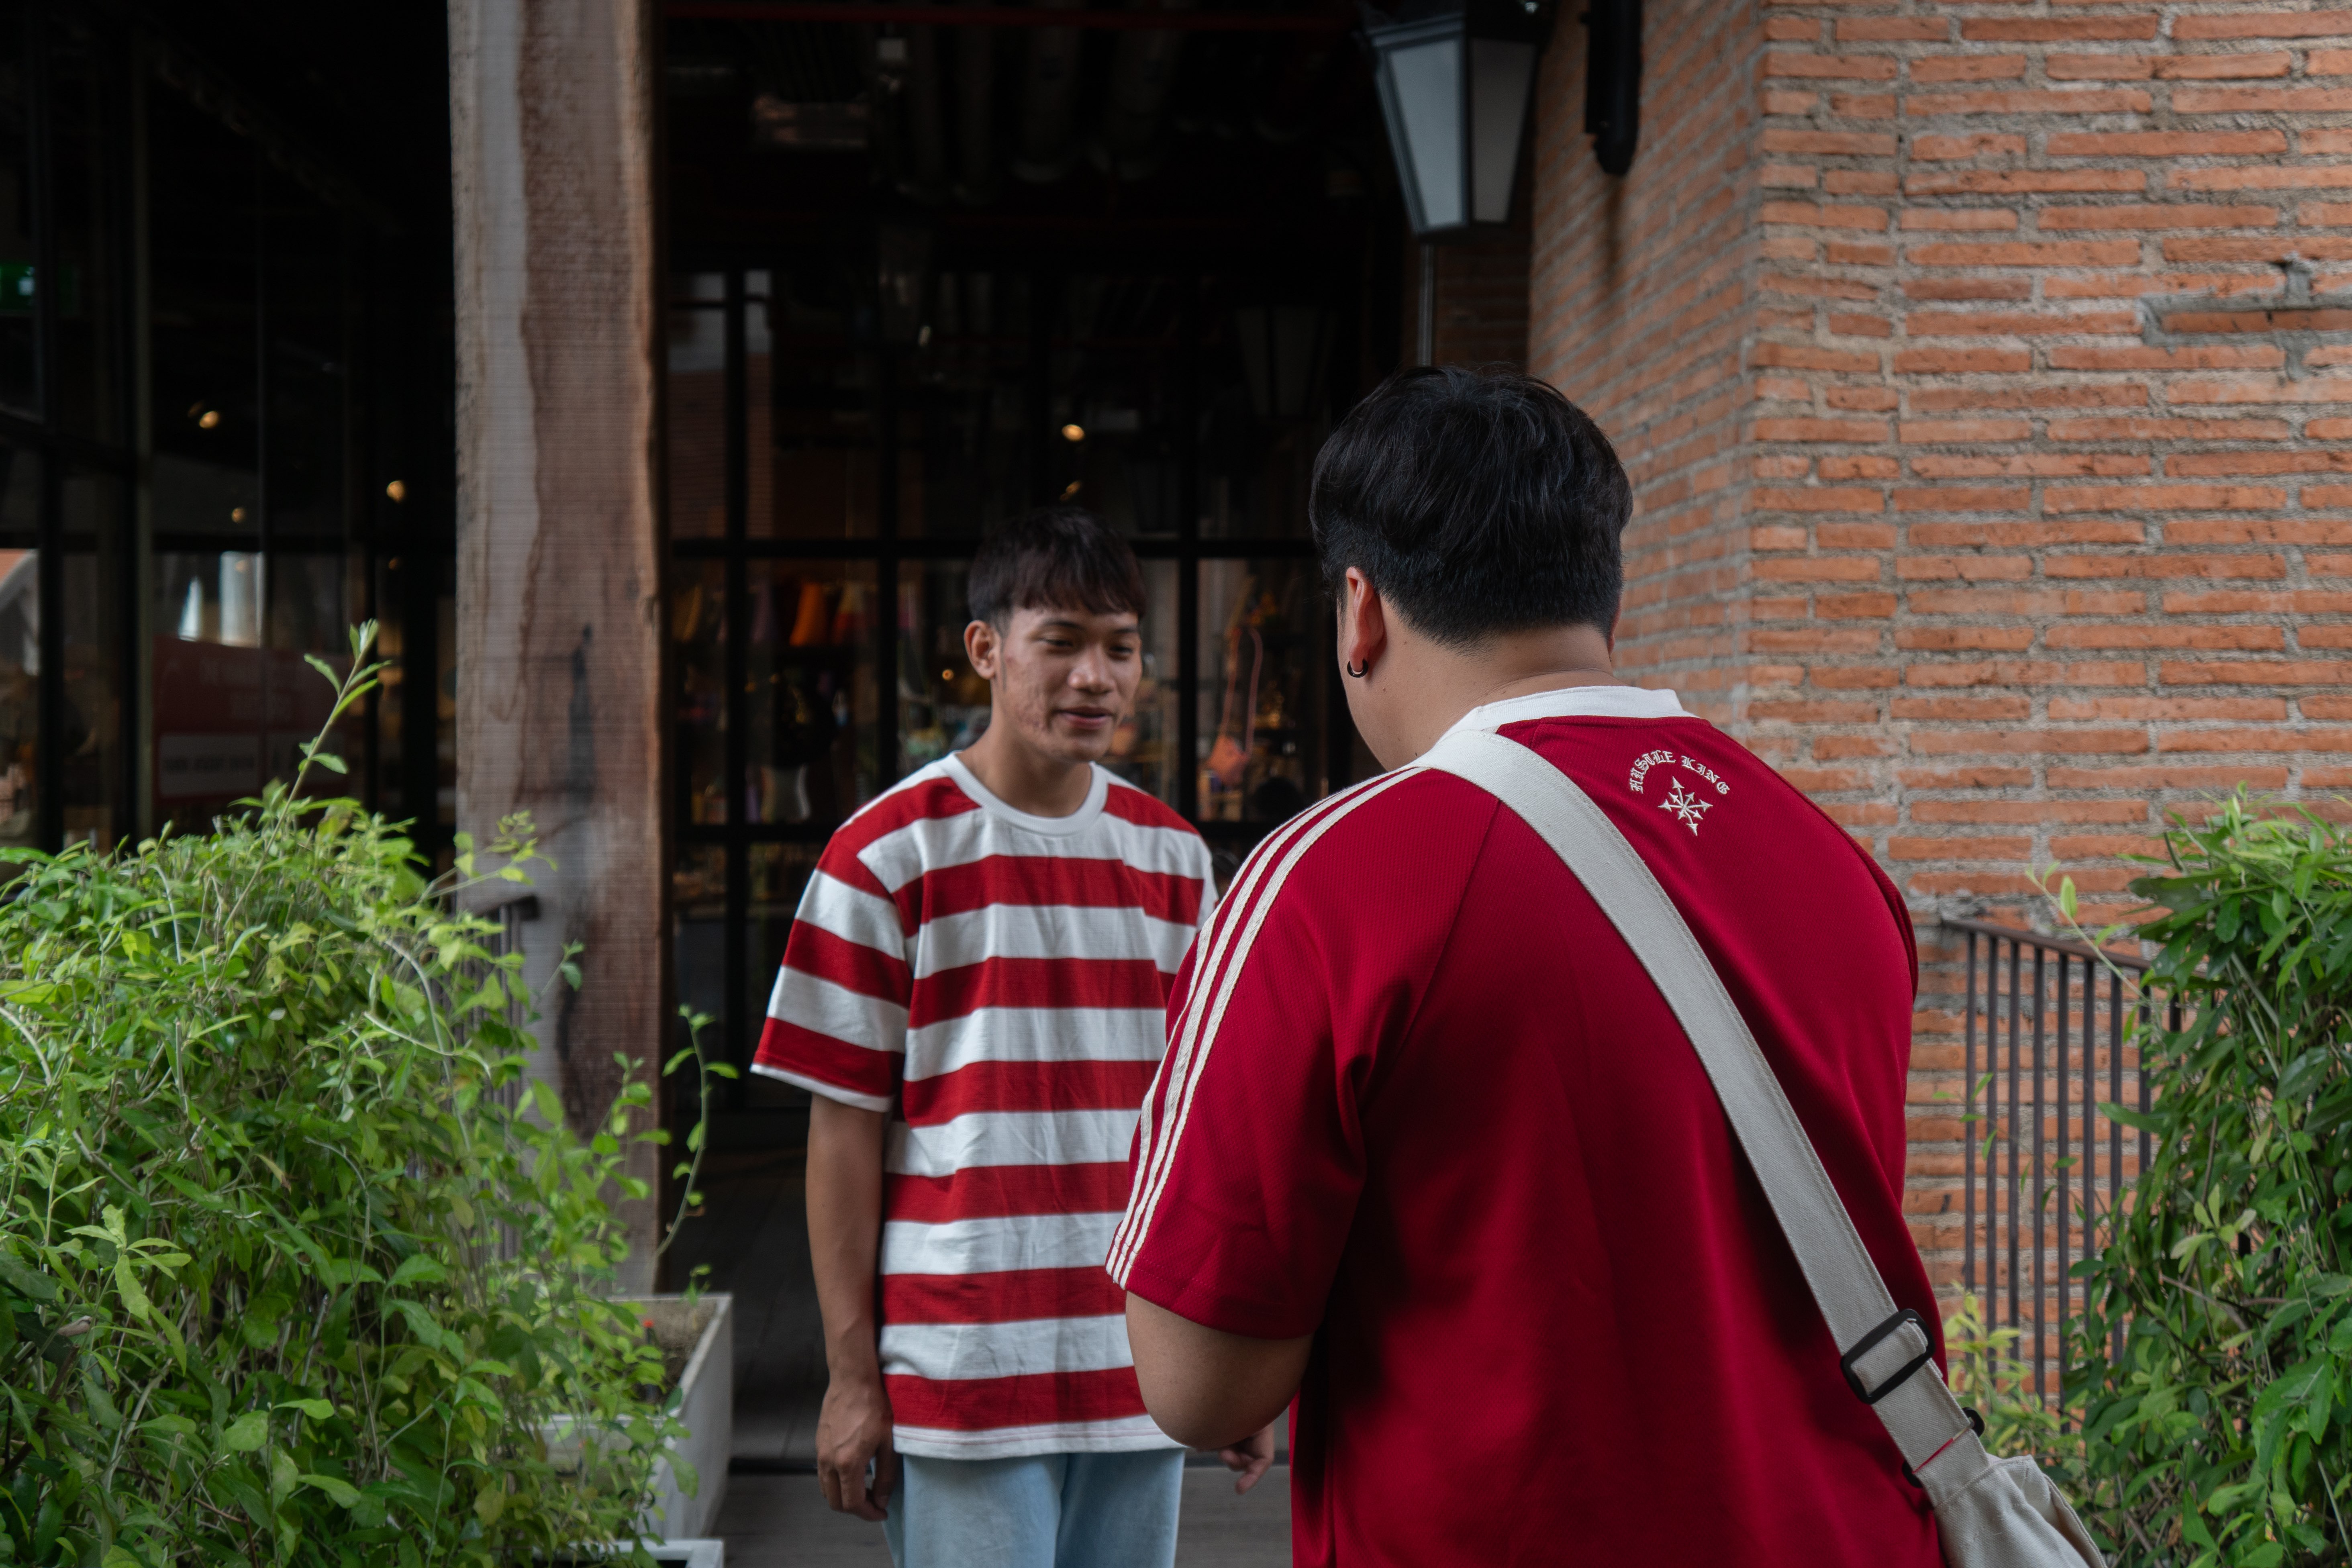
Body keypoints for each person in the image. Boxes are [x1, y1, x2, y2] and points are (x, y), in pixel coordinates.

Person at [1108, 367, 1946, 1566]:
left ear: (1362, 611)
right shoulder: (1833, 864)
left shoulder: (1329, 882)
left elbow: (1200, 1387)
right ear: (1605, 589)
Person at [752, 507, 1269, 1568]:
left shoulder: (1176, 861)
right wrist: (854, 1379)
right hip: (963, 1364)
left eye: (1120, 648)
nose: (1096, 678)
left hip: (1142, 1364)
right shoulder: (884, 855)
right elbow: (841, 1139)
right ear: (986, 649)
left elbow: (1203, 1133)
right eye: (1063, 643)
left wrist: (1234, 1359)